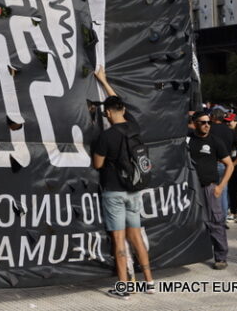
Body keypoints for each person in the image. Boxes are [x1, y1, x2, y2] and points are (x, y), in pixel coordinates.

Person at [91, 67, 154, 300]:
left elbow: (97, 165)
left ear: (107, 113)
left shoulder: (106, 137)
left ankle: (124, 288)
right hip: (135, 190)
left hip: (114, 191)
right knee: (136, 236)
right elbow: (119, 101)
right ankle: (149, 282)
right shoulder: (133, 127)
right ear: (123, 110)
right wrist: (105, 82)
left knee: (119, 239)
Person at [188, 111, 234, 269]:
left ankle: (221, 257)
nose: (207, 125)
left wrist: (220, 187)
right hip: (192, 189)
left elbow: (230, 164)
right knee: (193, 221)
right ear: (194, 123)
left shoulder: (215, 141)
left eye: (209, 122)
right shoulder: (187, 141)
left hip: (210, 187)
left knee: (216, 222)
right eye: (203, 122)